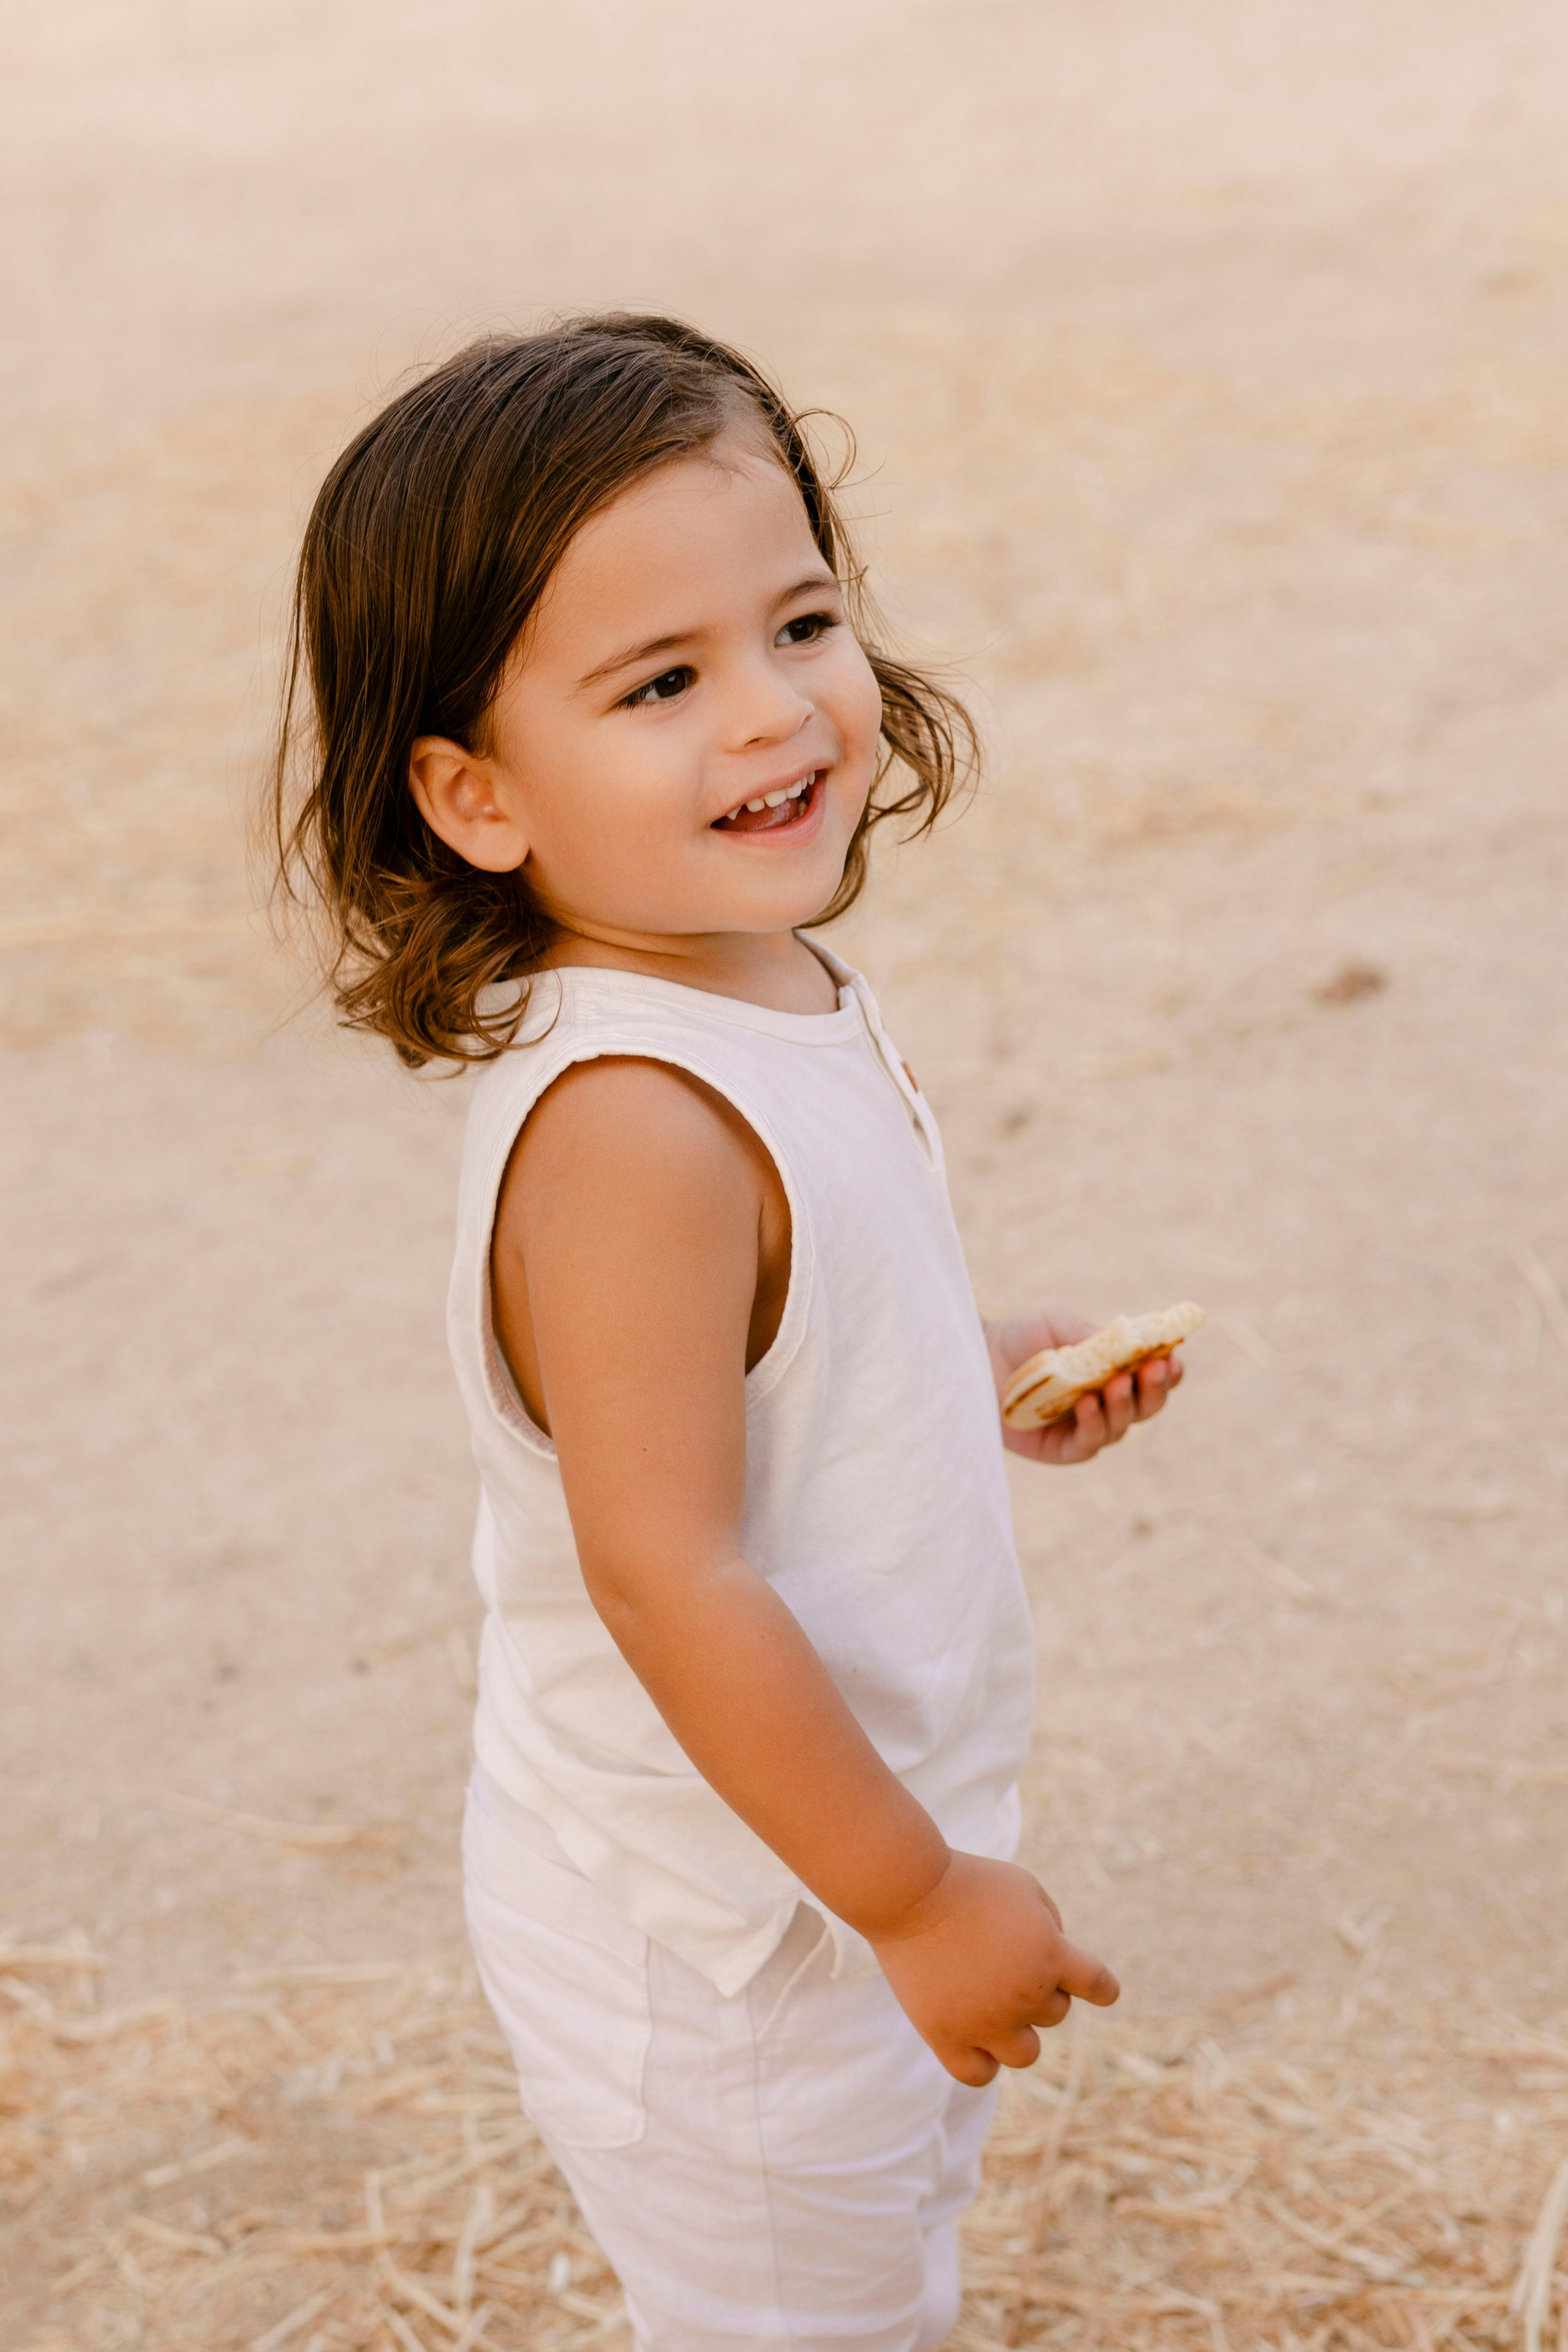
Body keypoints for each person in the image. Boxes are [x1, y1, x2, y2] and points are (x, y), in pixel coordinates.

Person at [272, 314, 1188, 2351]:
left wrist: (959, 1366)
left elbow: (778, 1354)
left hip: (825, 1864)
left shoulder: (753, 977)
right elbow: (663, 1567)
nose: (773, 714)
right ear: (477, 794)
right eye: (661, 682)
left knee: (873, 2274)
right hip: (740, 1946)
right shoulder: (628, 1132)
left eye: (798, 622)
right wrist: (916, 1902)